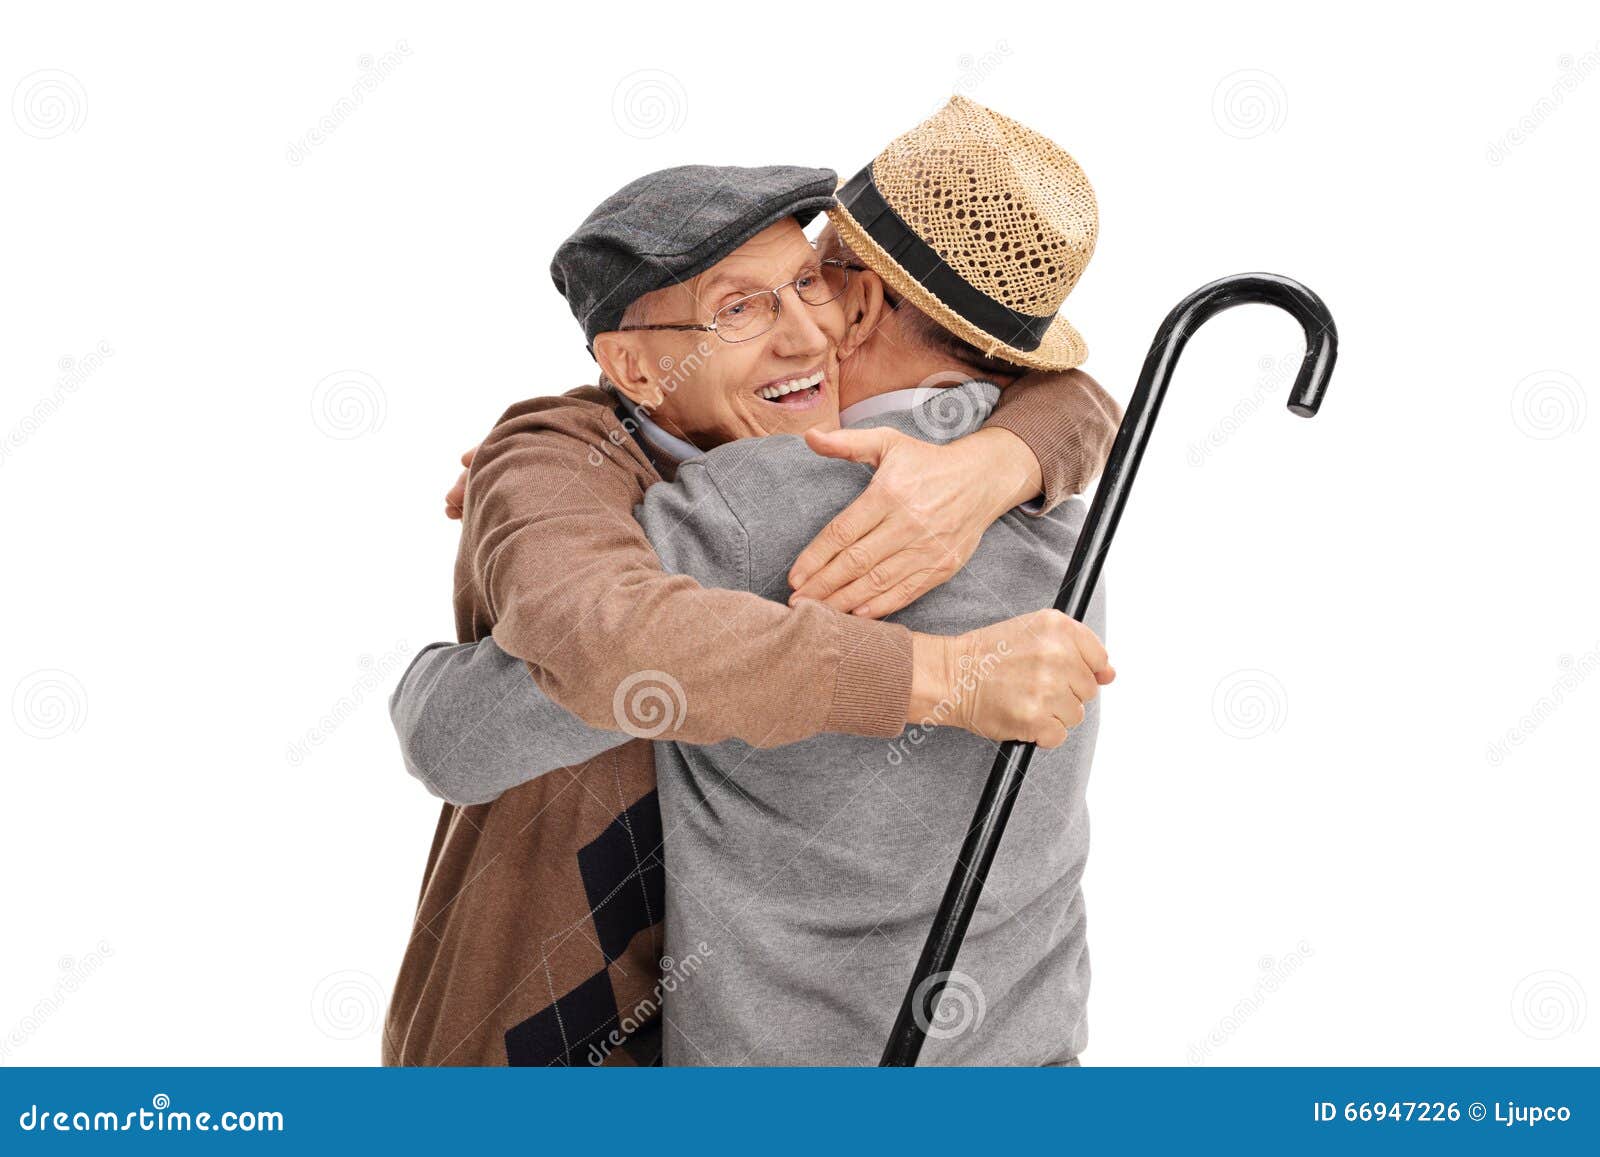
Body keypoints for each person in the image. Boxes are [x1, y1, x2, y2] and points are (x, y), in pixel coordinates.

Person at [385, 98, 1118, 1065]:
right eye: (741, 307)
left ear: (859, 302)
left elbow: (465, 725)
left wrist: (1000, 459)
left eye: (810, 281)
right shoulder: (1073, 522)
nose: (805, 335)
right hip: (563, 1030)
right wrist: (939, 667)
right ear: (634, 367)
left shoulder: (798, 494)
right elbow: (583, 658)